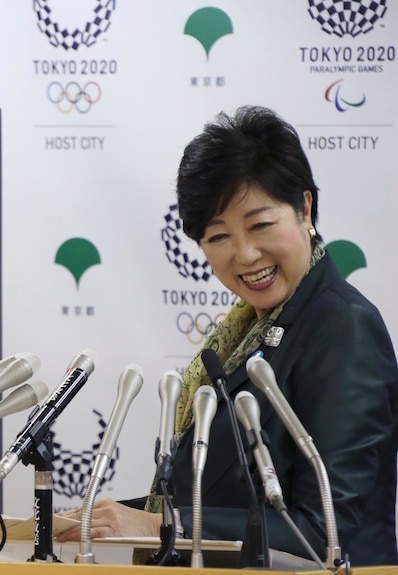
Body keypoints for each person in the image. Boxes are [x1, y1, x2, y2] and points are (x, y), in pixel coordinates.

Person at [56, 105, 398, 566]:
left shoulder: (342, 327)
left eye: (260, 225)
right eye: (218, 237)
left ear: (305, 210)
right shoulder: (244, 335)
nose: (245, 254)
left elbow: (323, 532)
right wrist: (103, 518)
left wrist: (160, 526)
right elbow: (231, 498)